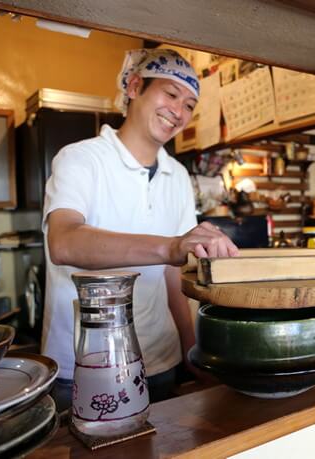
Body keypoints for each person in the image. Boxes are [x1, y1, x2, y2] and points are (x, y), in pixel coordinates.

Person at [42, 48, 238, 410]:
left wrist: (191, 347)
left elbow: (170, 273)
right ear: (134, 86)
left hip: (160, 362)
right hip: (84, 364)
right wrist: (171, 246)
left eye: (190, 104)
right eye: (171, 93)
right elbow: (64, 242)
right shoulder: (80, 158)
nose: (179, 111)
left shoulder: (177, 175)